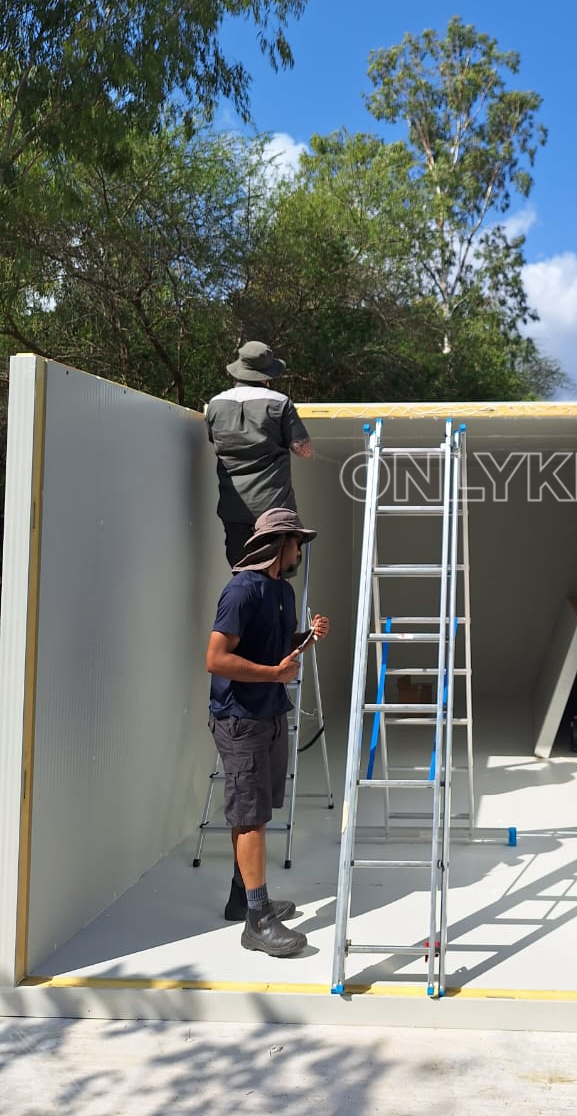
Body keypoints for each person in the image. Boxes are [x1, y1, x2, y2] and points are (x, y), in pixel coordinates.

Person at [205, 506, 330, 957]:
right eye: (298, 541)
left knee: (258, 811)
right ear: (281, 543)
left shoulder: (282, 591)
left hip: (271, 714)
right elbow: (216, 658)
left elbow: (276, 651)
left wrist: (307, 638)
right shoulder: (242, 590)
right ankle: (257, 922)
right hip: (240, 720)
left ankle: (243, 898)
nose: (301, 549)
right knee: (250, 816)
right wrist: (273, 676)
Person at [206, 340, 313, 567]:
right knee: (276, 571)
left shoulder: (215, 404)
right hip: (274, 508)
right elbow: (303, 449)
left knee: (242, 571)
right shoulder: (280, 403)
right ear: (267, 376)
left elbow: (214, 440)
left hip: (233, 507)